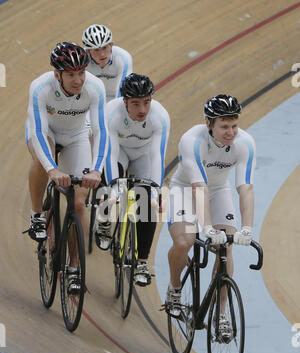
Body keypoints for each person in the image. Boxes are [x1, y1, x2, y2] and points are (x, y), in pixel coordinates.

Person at [166, 94, 256, 337]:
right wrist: (206, 228)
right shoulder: (192, 140)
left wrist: (247, 229)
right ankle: (174, 289)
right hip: (185, 189)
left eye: (234, 125)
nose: (231, 132)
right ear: (209, 125)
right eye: (224, 126)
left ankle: (221, 314)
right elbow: (198, 186)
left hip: (218, 190)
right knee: (184, 241)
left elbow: (245, 187)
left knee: (226, 246)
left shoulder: (245, 143)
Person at [25, 42, 109, 292]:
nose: (78, 80)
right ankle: (38, 215)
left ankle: (74, 268)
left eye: (81, 73)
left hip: (76, 137)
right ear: (57, 75)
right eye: (71, 74)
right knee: (43, 159)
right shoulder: (40, 87)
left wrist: (96, 170)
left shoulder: (95, 87)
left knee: (79, 204)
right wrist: (52, 169)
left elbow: (101, 131)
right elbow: (38, 131)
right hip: (45, 133)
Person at [96, 73, 170, 287]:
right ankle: (103, 222)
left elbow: (157, 157)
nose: (142, 110)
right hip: (117, 153)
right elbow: (109, 155)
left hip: (143, 156)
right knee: (106, 183)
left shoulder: (160, 117)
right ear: (124, 101)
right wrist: (114, 189)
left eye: (147, 102)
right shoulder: (111, 113)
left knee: (147, 201)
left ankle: (142, 263)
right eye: (136, 103)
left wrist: (155, 192)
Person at [82, 24, 133, 103]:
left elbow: (122, 91)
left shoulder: (123, 58)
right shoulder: (81, 60)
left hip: (116, 96)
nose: (102, 54)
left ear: (111, 45)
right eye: (96, 50)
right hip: (92, 98)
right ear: (88, 51)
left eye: (104, 48)